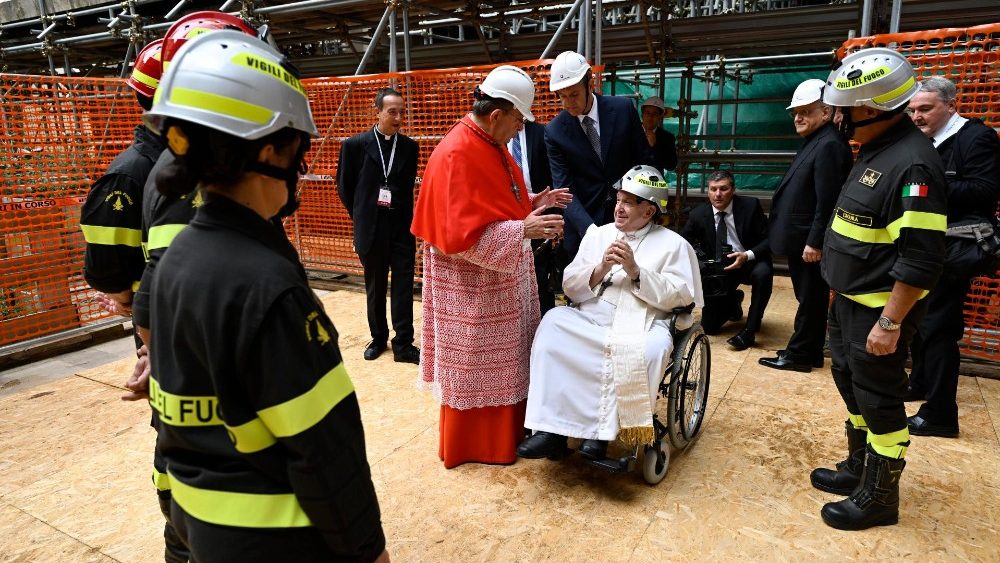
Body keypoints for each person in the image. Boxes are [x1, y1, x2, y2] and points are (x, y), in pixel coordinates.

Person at [143, 31, 388, 561]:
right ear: (270, 149)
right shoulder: (267, 287)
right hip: (279, 540)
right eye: (298, 146)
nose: (301, 164)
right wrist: (369, 551)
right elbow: (324, 452)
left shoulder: (176, 259)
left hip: (201, 528)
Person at [812, 47, 947, 531]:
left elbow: (921, 259)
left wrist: (889, 323)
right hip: (851, 302)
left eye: (843, 110)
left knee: (879, 398)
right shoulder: (876, 148)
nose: (837, 118)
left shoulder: (913, 166)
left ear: (871, 109)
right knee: (852, 385)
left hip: (878, 313)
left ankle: (880, 499)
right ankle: (859, 468)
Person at [411, 65, 571, 469]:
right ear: (496, 114)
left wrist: (533, 202)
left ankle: (513, 433)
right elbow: (459, 236)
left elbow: (492, 203)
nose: (521, 128)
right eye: (518, 119)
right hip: (472, 287)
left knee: (508, 360)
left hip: (497, 283)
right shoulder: (458, 152)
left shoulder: (486, 141)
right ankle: (477, 445)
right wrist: (523, 229)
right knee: (475, 365)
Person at [518, 165, 702, 460]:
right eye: (618, 200)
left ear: (649, 211)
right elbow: (570, 285)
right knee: (552, 324)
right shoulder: (598, 235)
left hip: (643, 322)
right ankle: (551, 431)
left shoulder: (674, 245)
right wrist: (601, 267)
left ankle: (601, 436)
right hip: (592, 316)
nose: (619, 208)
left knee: (654, 348)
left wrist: (636, 271)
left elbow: (682, 296)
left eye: (628, 202)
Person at [905, 76, 1000, 437]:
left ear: (950, 106)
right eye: (912, 110)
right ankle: (919, 383)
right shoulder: (923, 139)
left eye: (925, 109)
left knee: (939, 327)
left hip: (955, 248)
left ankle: (941, 414)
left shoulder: (976, 138)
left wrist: (924, 186)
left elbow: (986, 189)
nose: (917, 116)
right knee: (920, 321)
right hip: (927, 245)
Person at [759, 79, 853, 373]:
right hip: (801, 239)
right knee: (809, 296)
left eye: (805, 111)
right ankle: (809, 352)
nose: (798, 118)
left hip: (807, 242)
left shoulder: (829, 145)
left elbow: (828, 201)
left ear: (826, 112)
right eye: (795, 113)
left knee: (811, 298)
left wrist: (815, 241)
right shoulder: (818, 140)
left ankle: (799, 355)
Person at [79, 38, 166, 318]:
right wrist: (131, 303)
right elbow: (107, 266)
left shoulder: (205, 162)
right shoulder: (128, 175)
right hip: (162, 317)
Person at [337, 87, 420, 364]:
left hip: (401, 227)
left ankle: (404, 344)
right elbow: (345, 187)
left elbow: (406, 188)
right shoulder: (355, 145)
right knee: (375, 286)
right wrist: (361, 216)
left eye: (401, 112)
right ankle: (378, 338)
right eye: (392, 112)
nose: (398, 118)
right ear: (378, 112)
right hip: (371, 228)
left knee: (403, 285)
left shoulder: (409, 147)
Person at [544, 50, 651, 260]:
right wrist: (591, 231)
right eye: (562, 96)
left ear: (590, 84)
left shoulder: (622, 109)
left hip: (630, 220)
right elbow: (564, 190)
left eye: (573, 94)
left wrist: (645, 208)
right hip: (584, 226)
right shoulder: (554, 131)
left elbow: (644, 161)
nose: (567, 103)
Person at [680, 170, 772, 351]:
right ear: (708, 191)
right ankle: (734, 301)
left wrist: (747, 255)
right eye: (713, 189)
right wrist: (701, 262)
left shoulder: (750, 206)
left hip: (748, 261)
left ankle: (750, 330)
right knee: (710, 328)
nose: (718, 194)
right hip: (719, 270)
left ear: (733, 190)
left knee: (764, 273)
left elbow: (769, 239)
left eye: (723, 189)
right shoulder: (698, 214)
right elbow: (683, 243)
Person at [509, 118, 558, 314]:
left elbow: (554, 174)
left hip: (538, 210)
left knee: (540, 271)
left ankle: (543, 320)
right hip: (507, 214)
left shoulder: (542, 132)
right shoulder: (496, 136)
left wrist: (555, 217)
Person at [640, 96, 678, 173]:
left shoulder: (667, 138)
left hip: (655, 178)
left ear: (660, 117)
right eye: (647, 113)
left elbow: (671, 166)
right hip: (632, 178)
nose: (650, 117)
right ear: (642, 115)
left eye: (655, 114)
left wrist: (655, 146)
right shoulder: (631, 132)